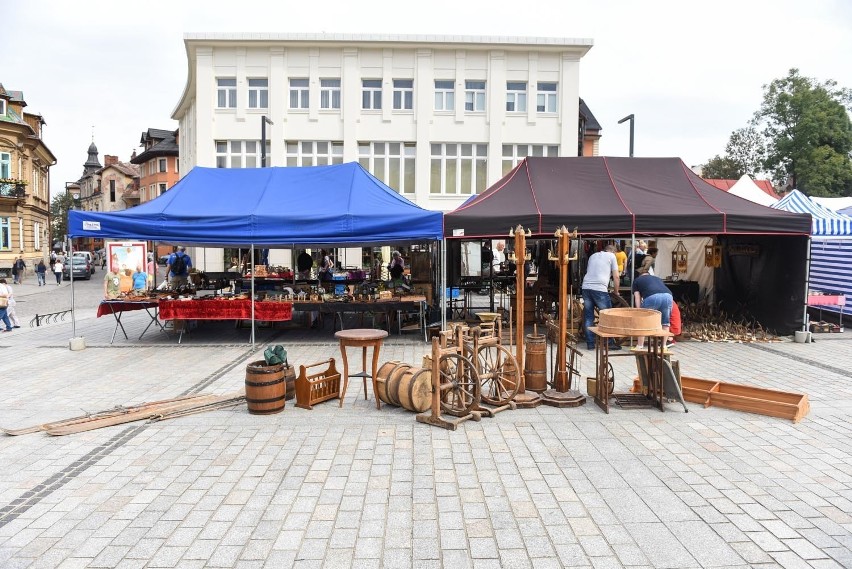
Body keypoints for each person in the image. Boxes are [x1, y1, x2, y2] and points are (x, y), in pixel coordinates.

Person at [581, 244, 622, 351]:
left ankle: (590, 344)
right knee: (607, 316)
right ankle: (609, 342)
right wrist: (616, 292)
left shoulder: (593, 256)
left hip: (586, 287)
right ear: (613, 251)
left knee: (589, 317)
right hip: (599, 288)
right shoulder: (612, 256)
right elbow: (616, 276)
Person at [631, 272, 674, 350]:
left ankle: (640, 346)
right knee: (665, 323)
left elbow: (637, 297)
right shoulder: (657, 278)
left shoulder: (637, 280)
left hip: (652, 297)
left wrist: (639, 311)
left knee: (642, 323)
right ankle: (663, 346)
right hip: (668, 296)